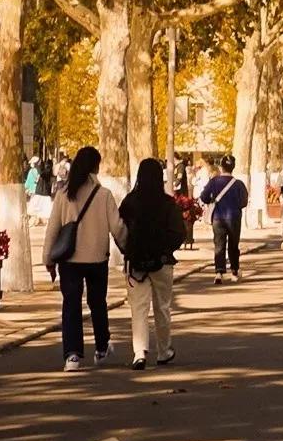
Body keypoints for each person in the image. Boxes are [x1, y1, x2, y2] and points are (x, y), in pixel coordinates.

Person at [43, 145, 124, 372]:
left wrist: (48, 258)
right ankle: (101, 347)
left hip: (69, 259)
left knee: (71, 304)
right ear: (95, 167)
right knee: (98, 303)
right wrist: (128, 249)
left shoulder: (63, 194)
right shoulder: (104, 195)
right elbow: (117, 227)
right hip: (97, 258)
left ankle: (72, 355)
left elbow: (52, 229)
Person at [119, 158, 186, 369]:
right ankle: (164, 350)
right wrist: (164, 250)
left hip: (136, 264)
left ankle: (139, 352)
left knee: (138, 308)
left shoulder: (130, 202)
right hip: (162, 263)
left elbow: (121, 232)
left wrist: (127, 251)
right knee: (162, 307)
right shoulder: (168, 204)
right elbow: (178, 234)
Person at [199, 154, 248, 284]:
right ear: (233, 167)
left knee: (219, 245)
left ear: (221, 167)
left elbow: (203, 197)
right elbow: (244, 202)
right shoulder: (238, 184)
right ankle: (234, 271)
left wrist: (213, 200)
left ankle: (219, 272)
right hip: (234, 218)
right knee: (233, 244)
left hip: (218, 217)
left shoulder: (214, 181)